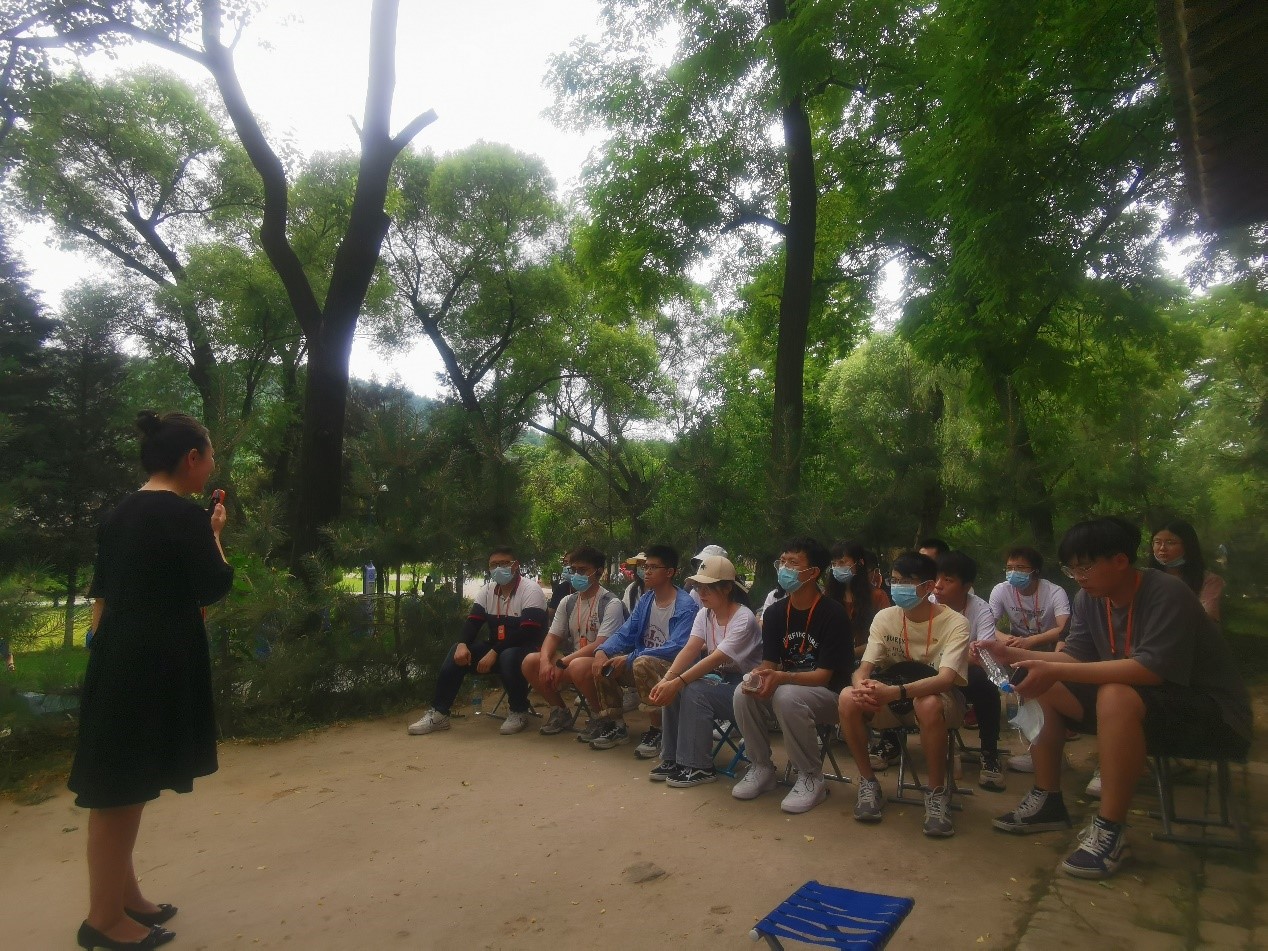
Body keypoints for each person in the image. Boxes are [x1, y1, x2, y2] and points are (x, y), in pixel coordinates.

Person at [986, 517, 1252, 879]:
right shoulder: (1089, 599)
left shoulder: (1167, 593)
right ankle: (1048, 800)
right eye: (1071, 569)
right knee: (1041, 683)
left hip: (1212, 716)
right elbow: (1074, 656)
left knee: (1113, 694)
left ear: (1121, 561)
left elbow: (1150, 671)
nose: (1078, 577)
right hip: (1144, 706)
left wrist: (1053, 668)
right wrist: (1011, 655)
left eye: (1085, 567)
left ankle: (1110, 829)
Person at [68, 410, 233, 950]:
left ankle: (125, 897)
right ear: (191, 459)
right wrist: (214, 534)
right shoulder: (182, 515)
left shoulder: (121, 512)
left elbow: (105, 589)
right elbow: (214, 585)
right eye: (210, 457)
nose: (211, 467)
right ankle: (102, 921)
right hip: (152, 662)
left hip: (119, 656)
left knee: (124, 784)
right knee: (119, 793)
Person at [839, 551, 971, 837]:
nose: (898, 587)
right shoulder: (885, 617)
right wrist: (861, 686)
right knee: (847, 697)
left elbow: (946, 679)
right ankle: (868, 783)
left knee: (927, 703)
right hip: (890, 695)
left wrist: (896, 693)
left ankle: (936, 793)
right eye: (894, 580)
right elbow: (864, 668)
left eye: (907, 582)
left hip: (939, 700)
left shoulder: (955, 623)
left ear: (928, 586)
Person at [731, 537, 851, 815]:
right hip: (789, 688)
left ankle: (810, 777)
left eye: (793, 563)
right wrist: (758, 676)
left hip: (831, 697)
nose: (784, 568)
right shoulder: (775, 613)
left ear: (813, 572)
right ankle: (761, 767)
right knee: (743, 692)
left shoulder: (833, 613)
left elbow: (824, 676)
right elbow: (770, 663)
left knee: (786, 696)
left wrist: (780, 678)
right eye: (782, 562)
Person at [645, 555, 762, 787]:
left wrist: (677, 682)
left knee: (693, 690)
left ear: (727, 588)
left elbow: (715, 659)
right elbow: (690, 648)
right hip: (722, 683)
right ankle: (672, 759)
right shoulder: (704, 614)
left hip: (747, 690)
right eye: (699, 587)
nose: (701, 592)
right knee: (677, 688)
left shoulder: (744, 618)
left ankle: (698, 766)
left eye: (708, 587)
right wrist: (667, 680)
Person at [407, 545, 547, 737]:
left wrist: (494, 652)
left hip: (528, 651)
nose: (498, 568)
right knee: (457, 651)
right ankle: (439, 713)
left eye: (504, 563)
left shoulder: (531, 590)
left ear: (515, 565)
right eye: (493, 565)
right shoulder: (488, 590)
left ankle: (518, 710)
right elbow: (473, 622)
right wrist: (462, 644)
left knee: (508, 655)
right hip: (497, 649)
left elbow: (527, 632)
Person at [590, 544, 698, 755]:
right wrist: (602, 651)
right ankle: (616, 726)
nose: (646, 572)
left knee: (641, 662)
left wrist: (630, 658)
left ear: (670, 572)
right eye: (645, 567)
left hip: (675, 670)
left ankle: (659, 730)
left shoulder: (686, 605)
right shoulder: (647, 600)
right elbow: (626, 632)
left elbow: (676, 647)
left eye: (653, 567)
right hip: (643, 662)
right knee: (604, 663)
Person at [522, 546, 626, 736]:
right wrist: (545, 662)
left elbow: (601, 643)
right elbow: (553, 636)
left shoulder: (611, 603)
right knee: (531, 661)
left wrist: (562, 663)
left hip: (604, 661)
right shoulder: (568, 601)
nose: (577, 575)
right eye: (574, 570)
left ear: (599, 572)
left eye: (583, 570)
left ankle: (603, 717)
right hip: (572, 660)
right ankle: (559, 710)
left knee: (577, 666)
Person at [988, 546, 1071, 772]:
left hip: (1049, 645)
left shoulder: (1054, 592)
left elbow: (1063, 628)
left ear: (1035, 571)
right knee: (1023, 692)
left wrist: (1031, 642)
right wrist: (1006, 639)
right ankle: (1036, 749)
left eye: (1020, 568)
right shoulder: (1001, 590)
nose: (1013, 573)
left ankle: (1053, 750)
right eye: (1009, 568)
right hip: (1016, 644)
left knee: (1043, 693)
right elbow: (988, 625)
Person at [934, 552, 1006, 790]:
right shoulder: (928, 604)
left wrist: (954, 656)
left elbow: (983, 655)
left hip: (964, 675)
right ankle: (890, 744)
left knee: (984, 682)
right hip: (931, 669)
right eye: (937, 577)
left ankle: (989, 752)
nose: (938, 585)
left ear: (966, 586)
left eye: (948, 580)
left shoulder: (980, 609)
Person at [1150, 519, 1224, 623]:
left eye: (1170, 543)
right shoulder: (1145, 577)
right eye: (1157, 542)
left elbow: (1208, 618)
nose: (1162, 548)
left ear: (1188, 546)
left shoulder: (1209, 580)